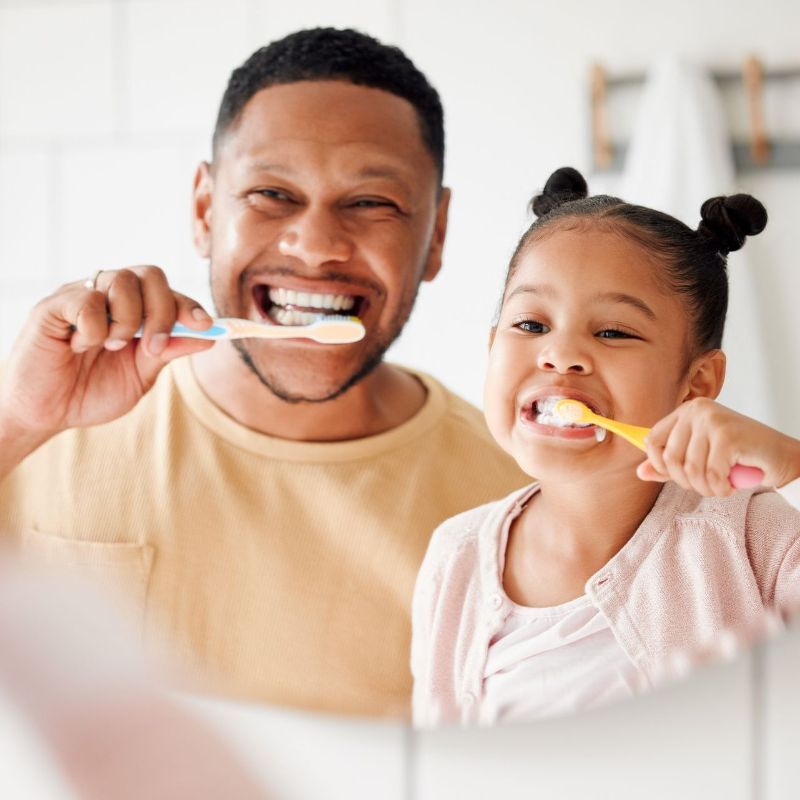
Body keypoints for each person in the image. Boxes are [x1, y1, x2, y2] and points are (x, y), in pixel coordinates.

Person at [0, 28, 528, 718]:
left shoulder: (515, 498)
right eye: (272, 194)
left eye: (371, 203)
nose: (315, 247)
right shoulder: (40, 429)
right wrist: (18, 422)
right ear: (203, 210)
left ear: (436, 236)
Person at [411, 167, 800, 728]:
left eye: (613, 332)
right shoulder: (456, 557)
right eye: (529, 323)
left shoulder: (755, 539)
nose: (561, 353)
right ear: (493, 346)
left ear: (697, 383)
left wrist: (791, 466)